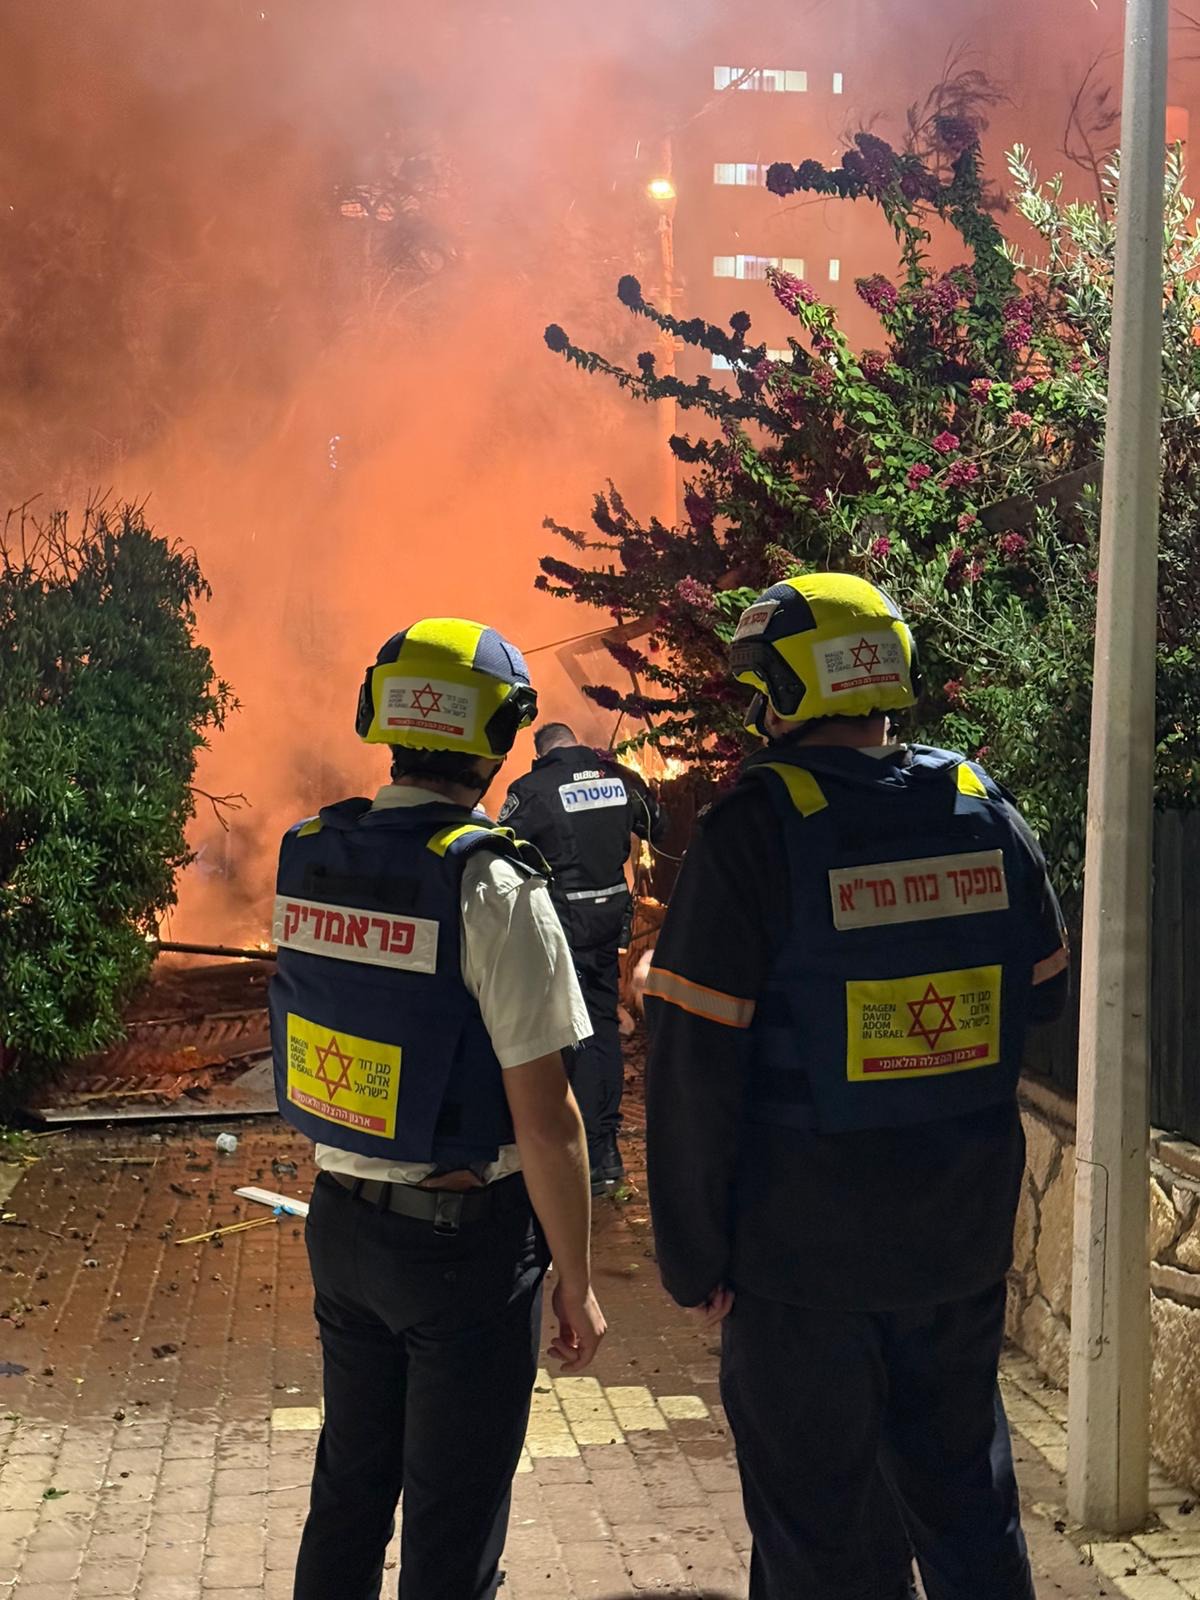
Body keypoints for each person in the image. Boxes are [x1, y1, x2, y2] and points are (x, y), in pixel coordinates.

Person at [643, 573, 1069, 1600]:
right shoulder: (979, 806)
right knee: (970, 1512)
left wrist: (693, 1256)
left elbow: (691, 1072)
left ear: (791, 685)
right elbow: (1046, 997)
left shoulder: (754, 833)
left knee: (822, 1546)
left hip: (802, 1271)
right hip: (957, 1252)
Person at [269, 618, 606, 1600]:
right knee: (451, 1531)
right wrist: (575, 1282)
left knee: (349, 1495)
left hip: (342, 1225)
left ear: (385, 717)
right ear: (497, 734)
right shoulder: (490, 881)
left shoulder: (312, 849)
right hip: (465, 1250)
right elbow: (548, 1120)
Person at [499, 721, 663, 1193]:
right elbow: (659, 826)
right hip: (609, 922)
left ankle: (575, 1149)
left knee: (567, 1030)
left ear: (542, 751)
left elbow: (501, 845)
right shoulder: (620, 779)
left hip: (561, 926)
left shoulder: (532, 788)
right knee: (602, 1025)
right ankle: (605, 1149)